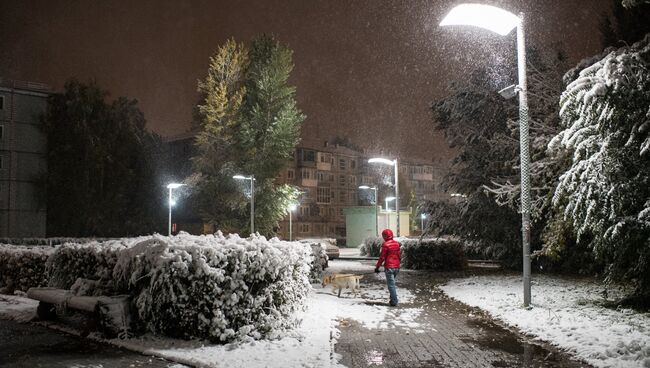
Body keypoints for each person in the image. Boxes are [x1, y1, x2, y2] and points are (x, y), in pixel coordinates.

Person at [374, 228, 401, 306]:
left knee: (391, 285)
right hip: (396, 267)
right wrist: (398, 264)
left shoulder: (385, 245)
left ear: (385, 236)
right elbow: (399, 256)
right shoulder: (397, 244)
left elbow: (382, 257)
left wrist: (377, 268)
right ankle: (392, 300)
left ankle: (394, 301)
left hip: (389, 267)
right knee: (392, 284)